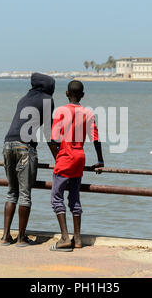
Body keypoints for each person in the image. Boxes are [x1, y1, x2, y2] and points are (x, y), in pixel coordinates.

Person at [1, 72, 58, 247]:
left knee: (12, 192)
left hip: (7, 144)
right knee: (25, 195)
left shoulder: (23, 99)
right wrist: (58, 157)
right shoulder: (47, 100)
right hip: (25, 147)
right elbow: (49, 133)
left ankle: (5, 237)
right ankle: (21, 238)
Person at [48, 80, 104, 252]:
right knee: (75, 199)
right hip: (80, 158)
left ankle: (64, 238)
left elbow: (53, 140)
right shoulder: (88, 113)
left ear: (66, 93)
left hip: (65, 158)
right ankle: (77, 238)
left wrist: (58, 157)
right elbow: (96, 139)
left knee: (57, 198)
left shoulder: (61, 112)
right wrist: (100, 160)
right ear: (83, 95)